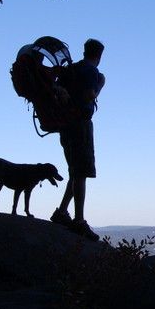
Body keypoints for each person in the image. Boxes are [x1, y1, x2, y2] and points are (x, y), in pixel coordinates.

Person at [50, 39, 105, 241]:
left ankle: (62, 212)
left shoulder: (72, 69)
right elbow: (89, 95)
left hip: (65, 124)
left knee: (74, 171)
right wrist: (100, 85)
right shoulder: (91, 71)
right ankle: (79, 221)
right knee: (81, 172)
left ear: (84, 51)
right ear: (99, 55)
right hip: (80, 123)